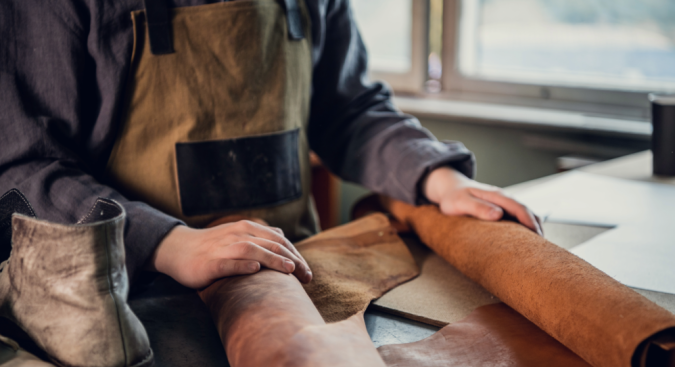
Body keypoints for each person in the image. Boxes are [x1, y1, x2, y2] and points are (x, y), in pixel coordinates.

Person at [0, 0, 541, 292]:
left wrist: (440, 180)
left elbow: (347, 110)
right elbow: (24, 169)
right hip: (134, 297)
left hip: (296, 277)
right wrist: (169, 244)